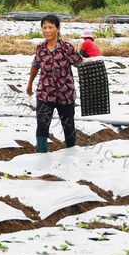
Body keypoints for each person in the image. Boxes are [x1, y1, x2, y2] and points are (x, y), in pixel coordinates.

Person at [26, 14, 85, 152]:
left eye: (50, 27)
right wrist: (30, 84)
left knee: (68, 125)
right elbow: (35, 65)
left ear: (57, 29)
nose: (47, 30)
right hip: (45, 93)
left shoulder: (66, 47)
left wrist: (92, 63)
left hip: (65, 94)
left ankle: (71, 153)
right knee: (42, 125)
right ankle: (41, 155)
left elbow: (79, 62)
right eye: (44, 27)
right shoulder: (40, 48)